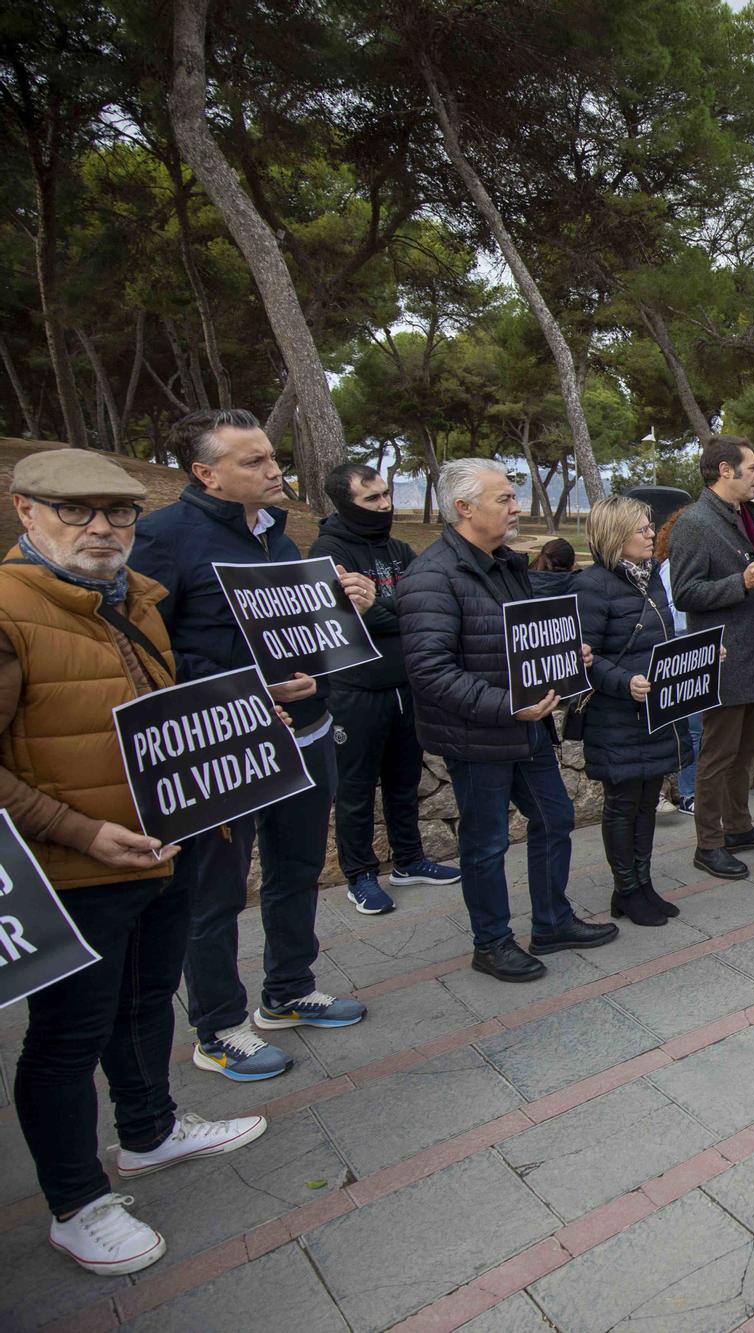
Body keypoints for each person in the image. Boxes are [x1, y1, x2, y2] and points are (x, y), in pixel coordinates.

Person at [3, 450, 267, 1276]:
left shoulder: (136, 602)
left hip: (161, 852)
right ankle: (75, 1202)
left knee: (149, 1000)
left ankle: (149, 1129)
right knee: (66, 1039)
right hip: (71, 874)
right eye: (76, 511)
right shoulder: (9, 611)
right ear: (26, 512)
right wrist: (78, 832)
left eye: (117, 513)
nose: (101, 528)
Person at [131, 409, 372, 1081]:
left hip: (307, 735)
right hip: (226, 750)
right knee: (214, 895)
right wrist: (239, 690)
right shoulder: (162, 538)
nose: (275, 470)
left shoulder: (281, 539)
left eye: (273, 457)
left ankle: (289, 988)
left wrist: (341, 602)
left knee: (296, 869)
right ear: (205, 473)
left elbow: (294, 633)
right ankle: (217, 1026)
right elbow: (147, 652)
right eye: (255, 461)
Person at [400, 458, 618, 982]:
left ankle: (551, 921)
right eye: (505, 499)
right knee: (486, 842)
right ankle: (492, 943)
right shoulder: (431, 577)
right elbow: (429, 672)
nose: (517, 507)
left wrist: (569, 656)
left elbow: (523, 639)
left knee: (555, 817)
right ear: (464, 508)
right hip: (478, 735)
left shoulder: (505, 564)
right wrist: (504, 705)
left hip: (525, 727)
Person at [309, 462, 459, 916]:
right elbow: (353, 618)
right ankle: (360, 876)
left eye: (386, 495)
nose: (386, 505)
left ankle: (409, 860)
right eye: (371, 499)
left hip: (406, 686)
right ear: (345, 503)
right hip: (355, 691)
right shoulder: (326, 551)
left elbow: (427, 608)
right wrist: (399, 613)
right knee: (355, 789)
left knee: (404, 780)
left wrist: (387, 608)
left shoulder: (398, 547)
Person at [670, 439, 754, 880]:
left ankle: (738, 827)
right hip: (725, 660)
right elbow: (685, 593)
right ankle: (708, 844)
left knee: (745, 751)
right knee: (718, 755)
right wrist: (740, 581)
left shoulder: (746, 516)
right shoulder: (694, 524)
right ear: (725, 470)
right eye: (752, 468)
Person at [574, 497, 686, 927]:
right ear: (615, 536)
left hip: (653, 712)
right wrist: (625, 683)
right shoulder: (592, 586)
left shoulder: (651, 580)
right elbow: (584, 655)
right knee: (623, 805)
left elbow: (661, 642)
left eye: (650, 527)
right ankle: (626, 888)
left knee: (645, 802)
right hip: (617, 716)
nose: (650, 535)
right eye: (641, 529)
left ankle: (642, 883)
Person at [653, 500, 700, 814]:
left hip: (696, 642)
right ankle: (688, 792)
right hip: (684, 642)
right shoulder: (673, 567)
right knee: (693, 728)